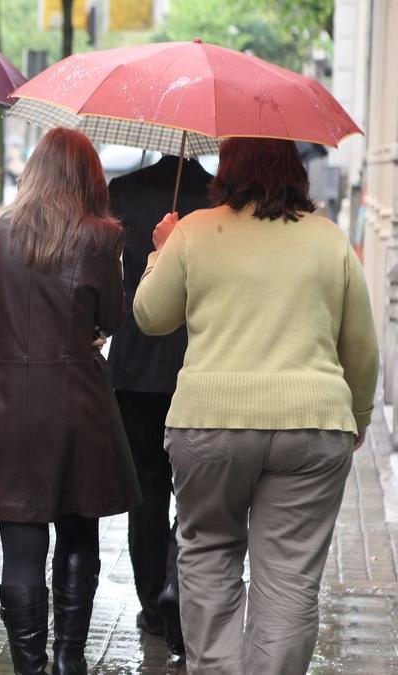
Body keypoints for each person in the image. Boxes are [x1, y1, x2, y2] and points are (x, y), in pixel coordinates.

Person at [134, 137, 378, 675]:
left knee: (209, 555)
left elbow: (151, 316)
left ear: (228, 167)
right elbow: (361, 347)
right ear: (294, 168)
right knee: (289, 577)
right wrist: (357, 418)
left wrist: (161, 250)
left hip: (210, 425)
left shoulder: (194, 231)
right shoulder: (329, 239)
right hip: (313, 426)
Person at [0, 127, 140, 675]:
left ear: (32, 168)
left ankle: (29, 666)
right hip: (76, 399)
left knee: (20, 545)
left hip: (6, 401)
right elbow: (111, 319)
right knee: (79, 528)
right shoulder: (101, 237)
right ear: (89, 177)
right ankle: (69, 659)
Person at [107, 155, 212, 655]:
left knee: (145, 492)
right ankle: (177, 583)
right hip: (199, 363)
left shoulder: (121, 192)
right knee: (194, 491)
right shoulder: (221, 199)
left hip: (135, 363)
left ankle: (152, 603)